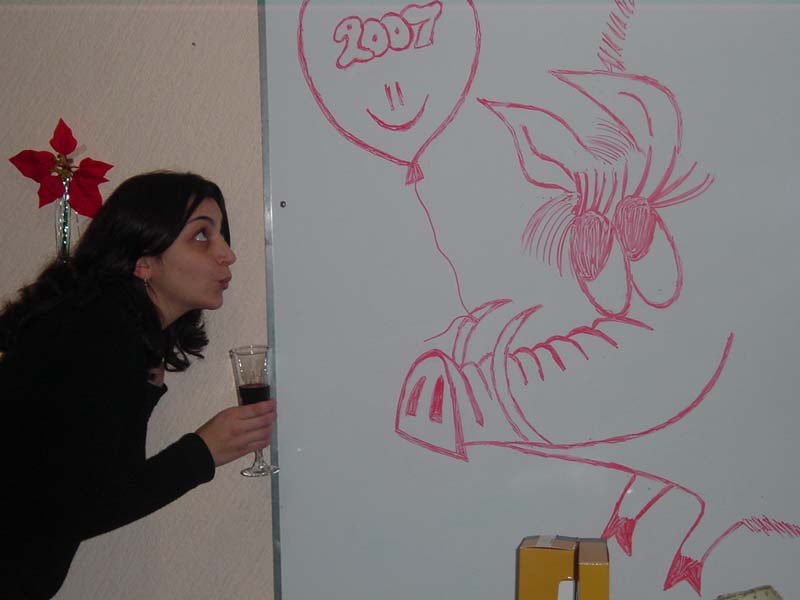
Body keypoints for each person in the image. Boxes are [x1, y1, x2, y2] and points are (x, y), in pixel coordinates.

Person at [0, 171, 276, 599]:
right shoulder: (96, 332)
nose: (228, 253)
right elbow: (88, 503)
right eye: (201, 236)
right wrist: (203, 450)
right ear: (143, 261)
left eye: (222, 235)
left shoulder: (105, 328)